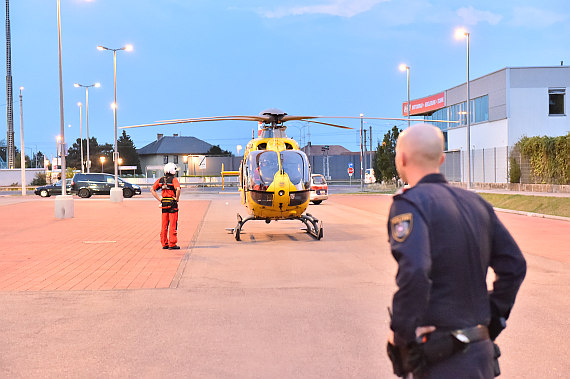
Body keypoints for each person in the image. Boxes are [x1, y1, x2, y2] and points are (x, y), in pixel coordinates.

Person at [386, 124, 526, 378]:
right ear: (441, 159)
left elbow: (415, 271)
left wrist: (401, 335)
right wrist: (490, 320)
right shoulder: (476, 203)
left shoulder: (410, 205)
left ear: (402, 158)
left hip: (441, 360)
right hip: (481, 356)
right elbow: (514, 266)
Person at [151, 163, 182, 250]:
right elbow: (178, 189)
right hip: (172, 204)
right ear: (173, 171)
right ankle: (172, 244)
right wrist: (177, 198)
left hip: (164, 203)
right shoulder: (174, 180)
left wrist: (160, 199)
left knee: (164, 224)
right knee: (172, 224)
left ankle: (164, 243)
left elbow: (152, 189)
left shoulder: (161, 180)